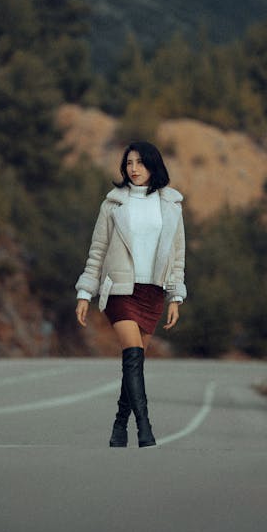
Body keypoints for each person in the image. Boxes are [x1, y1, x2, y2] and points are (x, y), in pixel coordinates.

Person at [75, 141, 186, 448]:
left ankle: (119, 426)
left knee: (133, 364)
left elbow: (178, 255)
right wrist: (86, 291)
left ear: (153, 165)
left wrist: (175, 296)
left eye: (140, 162)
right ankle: (145, 429)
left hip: (153, 293)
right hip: (120, 290)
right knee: (132, 357)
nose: (133, 169)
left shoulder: (172, 205)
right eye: (129, 163)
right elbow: (97, 250)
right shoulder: (114, 203)